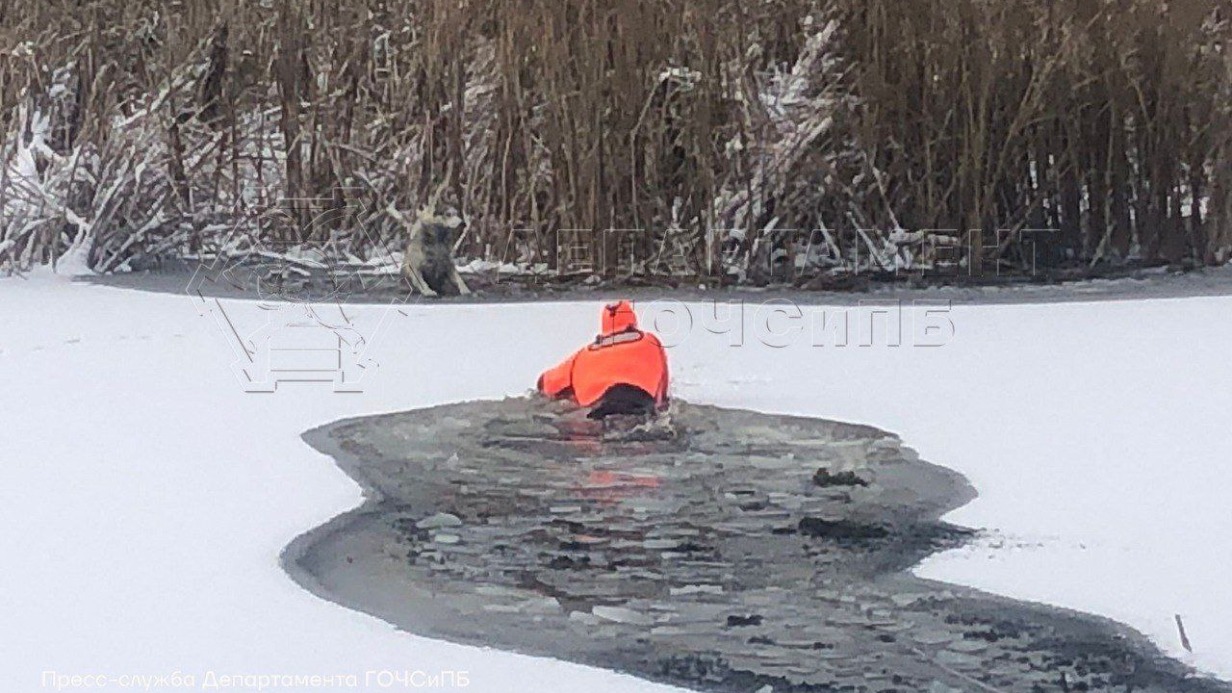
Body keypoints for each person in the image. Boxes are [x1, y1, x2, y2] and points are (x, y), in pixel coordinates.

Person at [537, 300, 669, 418]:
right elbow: (662, 384)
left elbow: (546, 383)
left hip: (600, 406)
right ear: (632, 319)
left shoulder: (582, 355)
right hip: (641, 400)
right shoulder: (651, 341)